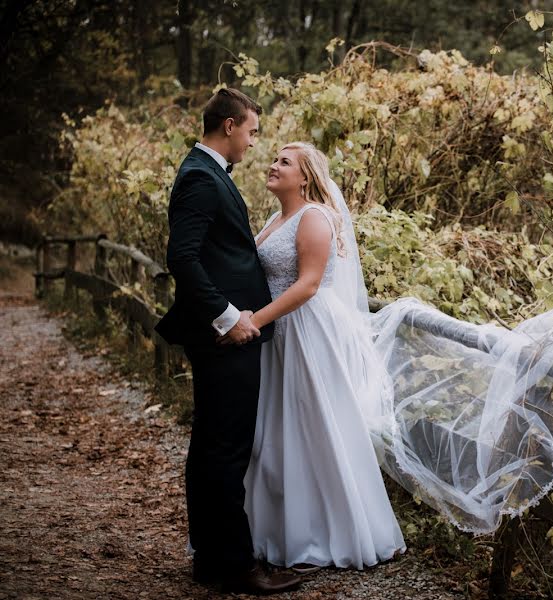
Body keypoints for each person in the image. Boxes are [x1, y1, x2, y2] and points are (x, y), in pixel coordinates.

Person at [155, 89, 311, 594]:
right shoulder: (200, 177)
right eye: (251, 131)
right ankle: (238, 566)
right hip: (228, 338)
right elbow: (183, 257)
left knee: (210, 446)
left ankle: (211, 559)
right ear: (228, 126)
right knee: (226, 449)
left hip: (230, 335)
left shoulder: (206, 173)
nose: (253, 142)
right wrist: (227, 317)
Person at [243, 142, 407, 569]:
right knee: (279, 430)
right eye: (273, 158)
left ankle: (332, 533)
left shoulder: (314, 217)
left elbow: (308, 284)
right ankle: (279, 529)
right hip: (282, 331)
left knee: (313, 426)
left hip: (306, 331)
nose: (272, 165)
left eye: (284, 162)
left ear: (306, 176)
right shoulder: (277, 218)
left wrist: (255, 321)